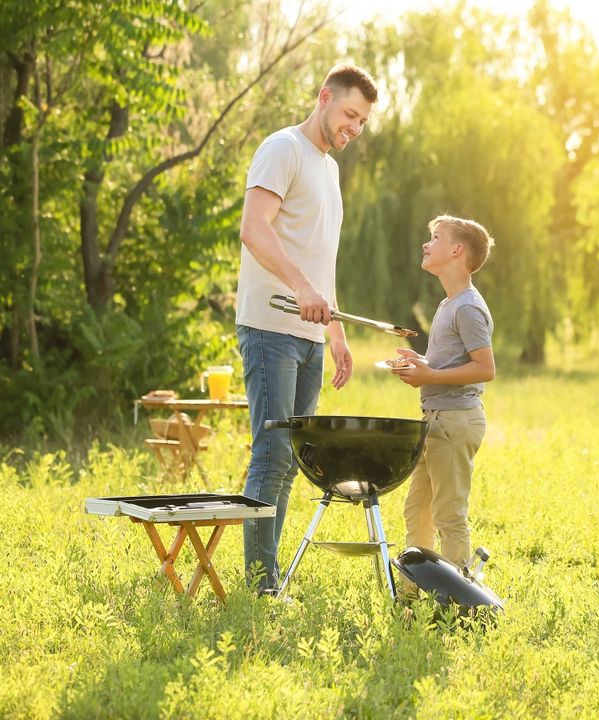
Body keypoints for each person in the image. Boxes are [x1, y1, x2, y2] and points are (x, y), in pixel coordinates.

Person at [235, 64, 378, 593]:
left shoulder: (329, 169)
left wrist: (336, 329)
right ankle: (261, 586)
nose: (354, 129)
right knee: (271, 454)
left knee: (294, 460)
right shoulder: (283, 149)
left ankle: (263, 578)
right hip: (271, 326)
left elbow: (322, 260)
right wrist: (300, 288)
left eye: (362, 122)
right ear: (324, 98)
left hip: (311, 336)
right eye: (349, 115)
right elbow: (254, 229)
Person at [389, 215, 496, 570]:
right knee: (417, 512)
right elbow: (452, 363)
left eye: (435, 237)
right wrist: (420, 362)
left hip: (454, 421)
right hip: (434, 420)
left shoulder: (467, 306)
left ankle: (458, 608)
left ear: (456, 250)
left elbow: (485, 368)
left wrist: (430, 373)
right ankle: (413, 598)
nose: (426, 244)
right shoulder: (448, 304)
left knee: (449, 515)